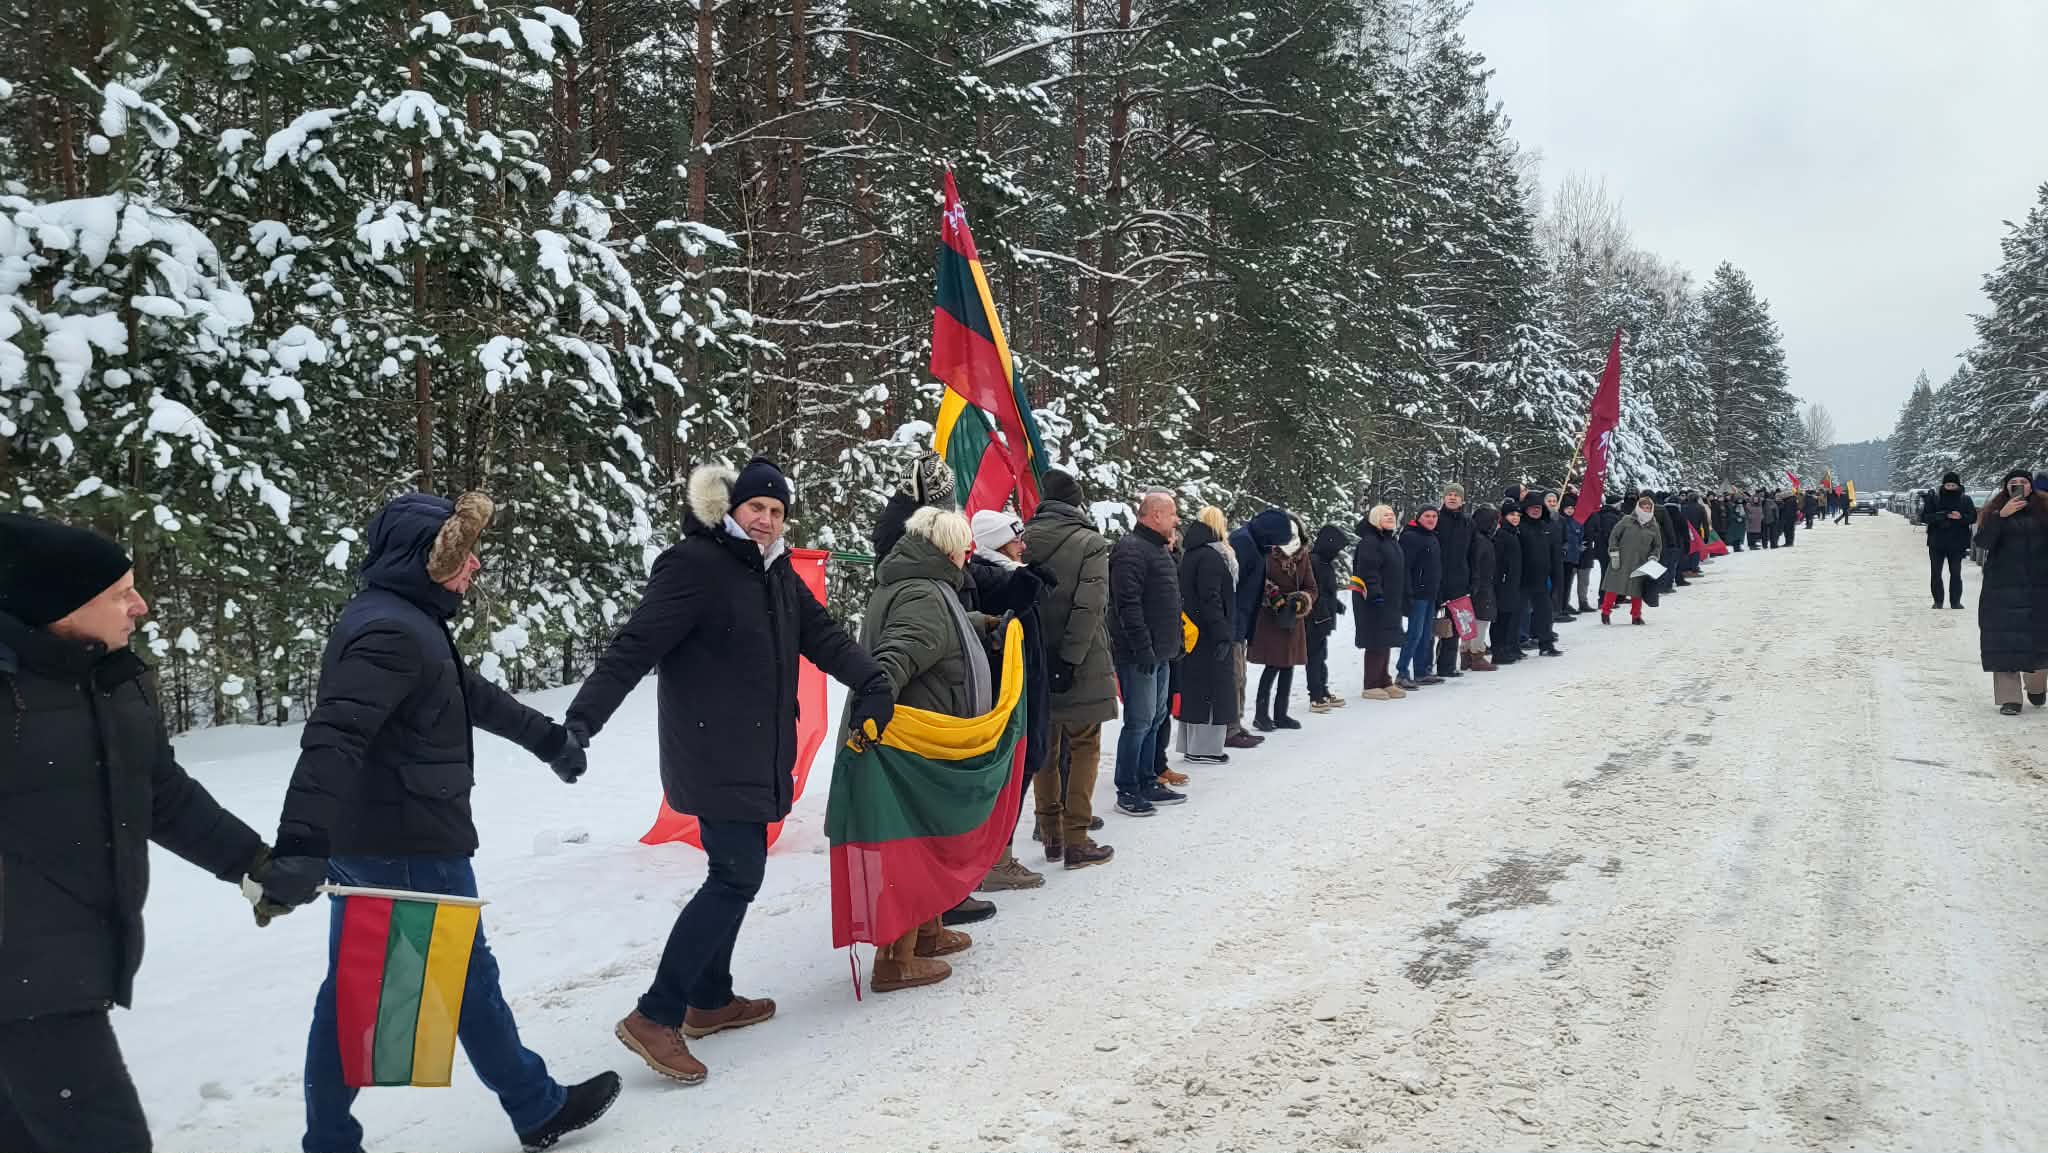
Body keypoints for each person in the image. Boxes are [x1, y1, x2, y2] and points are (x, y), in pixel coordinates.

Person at [259, 492, 623, 1151]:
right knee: (425, 981)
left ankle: (518, 1106)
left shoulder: (405, 619)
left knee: (375, 985)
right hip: (405, 840)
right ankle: (529, 1106)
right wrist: (300, 842)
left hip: (392, 833)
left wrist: (548, 740)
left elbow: (467, 693)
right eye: (463, 552)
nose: (476, 564)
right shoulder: (391, 631)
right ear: (424, 559)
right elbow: (335, 736)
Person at [565, 460, 893, 1081]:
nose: (766, 520)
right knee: (735, 875)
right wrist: (582, 720)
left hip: (758, 749)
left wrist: (873, 680)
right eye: (755, 509)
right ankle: (655, 1015)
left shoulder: (775, 575)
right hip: (713, 749)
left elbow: (822, 636)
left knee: (738, 871)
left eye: (776, 512)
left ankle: (710, 999)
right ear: (729, 509)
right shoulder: (694, 565)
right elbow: (635, 645)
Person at [0, 515, 275, 1153]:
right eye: (121, 592)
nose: (141, 606)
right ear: (62, 606)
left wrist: (250, 859)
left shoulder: (110, 679)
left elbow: (158, 792)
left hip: (71, 957)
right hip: (31, 975)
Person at [845, 506, 992, 990]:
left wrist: (981, 623)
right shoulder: (924, 593)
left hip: (920, 731)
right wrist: (875, 708)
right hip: (915, 738)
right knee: (910, 843)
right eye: (963, 547)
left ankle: (927, 933)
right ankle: (896, 960)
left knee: (927, 838)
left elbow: (935, 628)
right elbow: (901, 651)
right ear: (948, 548)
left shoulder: (912, 584)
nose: (967, 555)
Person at [1020, 469, 1116, 867]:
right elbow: (1089, 605)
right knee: (1085, 746)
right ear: (1076, 502)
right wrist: (1071, 659)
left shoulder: (1023, 539)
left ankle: (1050, 835)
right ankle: (1078, 838)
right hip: (1081, 660)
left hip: (1035, 659)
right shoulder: (1090, 543)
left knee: (1046, 747)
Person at [966, 510, 1054, 892]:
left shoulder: (1011, 575)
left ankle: (998, 854)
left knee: (1024, 766)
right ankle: (995, 859)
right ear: (998, 542)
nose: (1023, 545)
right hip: (1007, 695)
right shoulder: (993, 579)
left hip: (1024, 688)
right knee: (1010, 773)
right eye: (1016, 538)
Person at [1110, 491, 1185, 815]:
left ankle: (1147, 778)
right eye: (1172, 514)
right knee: (1138, 722)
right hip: (1140, 654)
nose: (1177, 520)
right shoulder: (1131, 550)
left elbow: (1166, 600)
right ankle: (1127, 788)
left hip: (1161, 652)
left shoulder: (1157, 548)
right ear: (1154, 514)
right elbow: (1127, 604)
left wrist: (1174, 641)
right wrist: (1141, 647)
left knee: (1155, 719)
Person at [1976, 470, 2048, 715]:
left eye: (2023, 482)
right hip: (2002, 587)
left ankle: (2037, 687)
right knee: (2003, 641)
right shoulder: (1994, 511)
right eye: (2012, 483)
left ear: (2031, 487)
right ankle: (2010, 699)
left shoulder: (2044, 509)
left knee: (2039, 640)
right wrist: (2001, 517)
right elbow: (1983, 543)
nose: (2018, 486)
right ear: (2006, 487)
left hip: (2039, 586)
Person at [1178, 509, 1238, 762]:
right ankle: (1205, 749)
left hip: (1193, 632)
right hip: (1210, 633)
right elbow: (1211, 598)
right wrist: (1223, 632)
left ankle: (1192, 744)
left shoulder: (1190, 554)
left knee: (1195, 689)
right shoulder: (1212, 557)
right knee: (1214, 691)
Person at [1227, 510, 1291, 746]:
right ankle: (1230, 728)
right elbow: (1233, 584)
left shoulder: (1256, 544)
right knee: (1233, 676)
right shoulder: (1243, 544)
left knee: (1240, 676)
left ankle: (1236, 722)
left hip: (1243, 620)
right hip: (1234, 620)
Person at [1250, 518, 1317, 726]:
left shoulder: (1303, 556)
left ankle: (1281, 713)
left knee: (1288, 665)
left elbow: (1311, 587)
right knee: (1273, 665)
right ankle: (1261, 714)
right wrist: (1273, 594)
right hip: (1270, 617)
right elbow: (1256, 580)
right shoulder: (1266, 553)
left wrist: (1301, 600)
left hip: (1292, 618)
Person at [1349, 505, 1408, 699]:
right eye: (1385, 515)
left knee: (1387, 639)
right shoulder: (1370, 542)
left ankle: (1384, 680)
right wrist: (1375, 594)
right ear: (1375, 519)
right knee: (1375, 640)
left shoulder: (1390, 540)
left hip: (1391, 598)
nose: (1390, 518)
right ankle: (1371, 684)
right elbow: (1368, 570)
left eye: (1392, 515)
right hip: (1374, 599)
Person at [1395, 507, 1443, 689]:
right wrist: (1407, 592)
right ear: (1418, 518)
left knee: (1426, 634)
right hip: (1417, 593)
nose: (1431, 519)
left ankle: (1421, 671)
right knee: (1414, 633)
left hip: (1431, 593)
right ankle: (1402, 671)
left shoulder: (1432, 536)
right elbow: (1405, 567)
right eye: (1427, 516)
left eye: (1434, 516)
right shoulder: (1410, 537)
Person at [1431, 484, 1475, 679]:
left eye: (1456, 495)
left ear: (1462, 500)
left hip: (1459, 581)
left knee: (1454, 626)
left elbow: (1472, 553)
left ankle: (1447, 665)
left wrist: (1471, 579)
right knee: (1429, 627)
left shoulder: (1467, 522)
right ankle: (1423, 667)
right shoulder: (1435, 519)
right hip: (1435, 580)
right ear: (1443, 498)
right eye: (1449, 494)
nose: (1452, 498)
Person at [1600, 494, 1664, 625]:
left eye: (1648, 508)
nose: (1646, 510)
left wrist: (1653, 557)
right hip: (1621, 560)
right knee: (1613, 587)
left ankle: (1636, 616)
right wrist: (1614, 552)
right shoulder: (1627, 520)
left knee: (1637, 591)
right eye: (1644, 507)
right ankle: (1605, 612)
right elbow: (1614, 536)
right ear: (1638, 508)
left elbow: (1657, 545)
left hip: (1640, 562)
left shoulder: (1653, 525)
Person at [1306, 524, 1350, 710]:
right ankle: (1315, 695)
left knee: (1321, 656)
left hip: (1324, 617)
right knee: (1314, 657)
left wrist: (1337, 605)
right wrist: (1323, 611)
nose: (1338, 552)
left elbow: (1328, 591)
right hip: (1315, 618)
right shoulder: (1314, 561)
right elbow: (1314, 591)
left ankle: (1322, 690)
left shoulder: (1325, 562)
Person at [1926, 472, 1976, 610]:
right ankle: (1938, 601)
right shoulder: (1934, 499)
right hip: (1936, 542)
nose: (1950, 487)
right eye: (1948, 485)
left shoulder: (1965, 499)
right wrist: (1940, 516)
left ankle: (1955, 602)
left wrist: (1960, 517)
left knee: (1956, 572)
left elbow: (1972, 517)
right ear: (1943, 485)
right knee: (1936, 572)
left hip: (1957, 542)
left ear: (1958, 485)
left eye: (1953, 485)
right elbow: (1924, 517)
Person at [1465, 504, 1501, 671]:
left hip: (1479, 584)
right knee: (1481, 621)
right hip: (1482, 585)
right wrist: (1477, 585)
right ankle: (1476, 654)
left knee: (1471, 622)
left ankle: (1465, 654)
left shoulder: (1477, 538)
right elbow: (1477, 565)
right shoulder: (1481, 540)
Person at [1490, 501, 1526, 666]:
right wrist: (1501, 577)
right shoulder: (1501, 534)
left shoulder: (1514, 533)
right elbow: (1498, 560)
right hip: (1503, 583)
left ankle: (1506, 648)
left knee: (1509, 616)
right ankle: (1498, 651)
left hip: (1513, 582)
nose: (1515, 518)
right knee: (1501, 618)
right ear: (1504, 516)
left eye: (1518, 515)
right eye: (1512, 515)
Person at [1544, 491, 1575, 622]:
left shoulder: (1561, 519)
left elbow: (1565, 536)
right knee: (1547, 586)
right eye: (1549, 501)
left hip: (1558, 557)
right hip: (1545, 557)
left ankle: (1557, 610)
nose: (1552, 503)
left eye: (1554, 501)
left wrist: (1565, 546)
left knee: (1559, 584)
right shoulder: (1543, 519)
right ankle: (1548, 612)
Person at [1561, 494, 1592, 614]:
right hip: (1563, 557)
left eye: (1572, 508)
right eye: (1567, 508)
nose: (1569, 510)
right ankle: (1561, 605)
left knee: (1568, 583)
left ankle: (1564, 605)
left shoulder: (1576, 522)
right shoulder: (1561, 520)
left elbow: (1580, 536)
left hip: (1573, 557)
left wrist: (1580, 546)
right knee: (1562, 584)